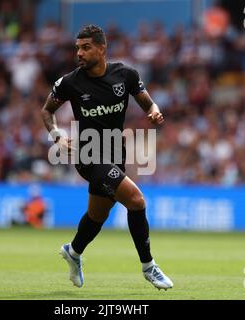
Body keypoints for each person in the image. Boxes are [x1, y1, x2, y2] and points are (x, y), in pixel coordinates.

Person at [41, 25, 173, 290]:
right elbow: (47, 111)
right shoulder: (70, 82)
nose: (79, 53)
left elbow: (148, 103)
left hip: (115, 152)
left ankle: (74, 251)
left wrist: (155, 111)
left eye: (86, 47)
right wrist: (57, 135)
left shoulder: (125, 75)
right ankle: (149, 267)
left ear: (102, 48)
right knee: (136, 201)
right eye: (77, 48)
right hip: (88, 155)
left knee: (97, 215)